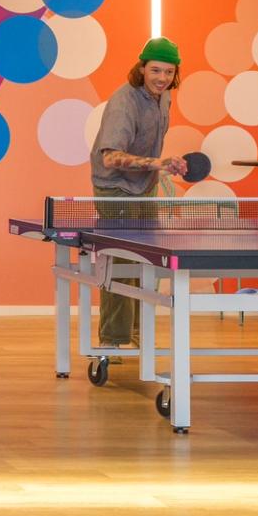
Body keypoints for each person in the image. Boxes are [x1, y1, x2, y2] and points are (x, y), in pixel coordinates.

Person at [87, 37, 182, 355]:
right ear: (141, 68)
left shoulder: (164, 96)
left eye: (169, 72)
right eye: (155, 70)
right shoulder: (124, 103)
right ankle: (112, 341)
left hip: (144, 188)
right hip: (115, 190)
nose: (162, 78)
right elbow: (110, 157)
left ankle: (138, 331)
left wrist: (166, 166)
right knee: (122, 263)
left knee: (148, 260)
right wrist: (157, 164)